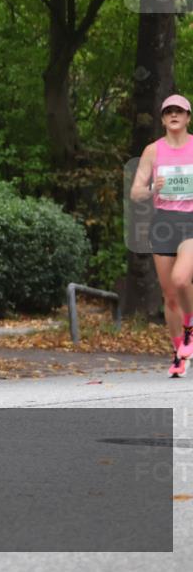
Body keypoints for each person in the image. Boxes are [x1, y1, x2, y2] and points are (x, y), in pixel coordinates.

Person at [130, 94, 193, 377]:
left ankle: (190, 327)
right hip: (164, 222)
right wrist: (154, 187)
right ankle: (178, 352)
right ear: (163, 118)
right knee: (169, 296)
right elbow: (136, 192)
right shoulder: (153, 151)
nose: (174, 115)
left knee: (182, 279)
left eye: (179, 111)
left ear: (188, 117)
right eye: (169, 112)